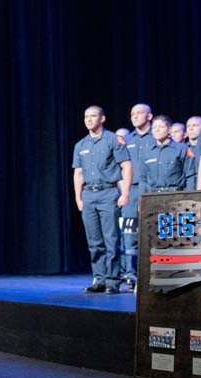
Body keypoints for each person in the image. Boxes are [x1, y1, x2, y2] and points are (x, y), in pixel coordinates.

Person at [73, 106, 132, 294]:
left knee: (111, 240)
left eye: (93, 116)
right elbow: (78, 174)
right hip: (89, 195)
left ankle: (113, 281)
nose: (89, 120)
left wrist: (125, 193)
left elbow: (127, 166)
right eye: (86, 116)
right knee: (94, 241)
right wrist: (78, 198)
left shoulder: (113, 140)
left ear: (103, 118)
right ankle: (99, 279)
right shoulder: (81, 145)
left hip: (108, 193)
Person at [120, 103, 153, 289]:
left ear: (149, 116)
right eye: (133, 113)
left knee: (151, 233)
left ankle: (150, 274)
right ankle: (131, 276)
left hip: (150, 189)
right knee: (129, 234)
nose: (135, 116)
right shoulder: (127, 140)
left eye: (140, 113)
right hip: (131, 191)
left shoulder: (155, 137)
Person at [139, 115, 187, 192]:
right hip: (153, 195)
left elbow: (190, 175)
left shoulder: (181, 149)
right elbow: (143, 178)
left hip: (176, 194)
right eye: (154, 128)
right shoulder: (147, 151)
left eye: (160, 127)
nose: (156, 130)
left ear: (169, 129)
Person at [184, 116, 201, 190]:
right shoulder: (182, 149)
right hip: (188, 187)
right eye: (188, 126)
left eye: (194, 125)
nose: (190, 128)